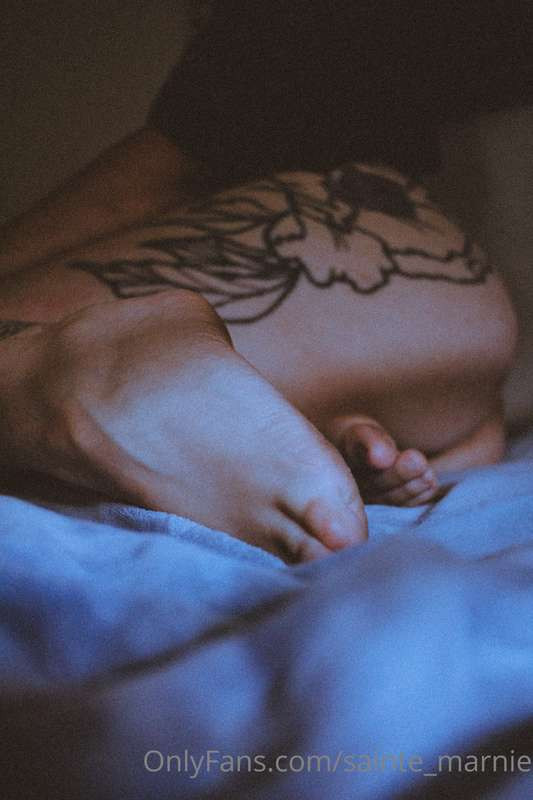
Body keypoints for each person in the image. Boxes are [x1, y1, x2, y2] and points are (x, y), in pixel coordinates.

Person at [0, 2, 529, 561]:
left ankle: (47, 363)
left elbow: (156, 177)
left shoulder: (295, 28)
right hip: (437, 369)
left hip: (351, 269)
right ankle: (334, 429)